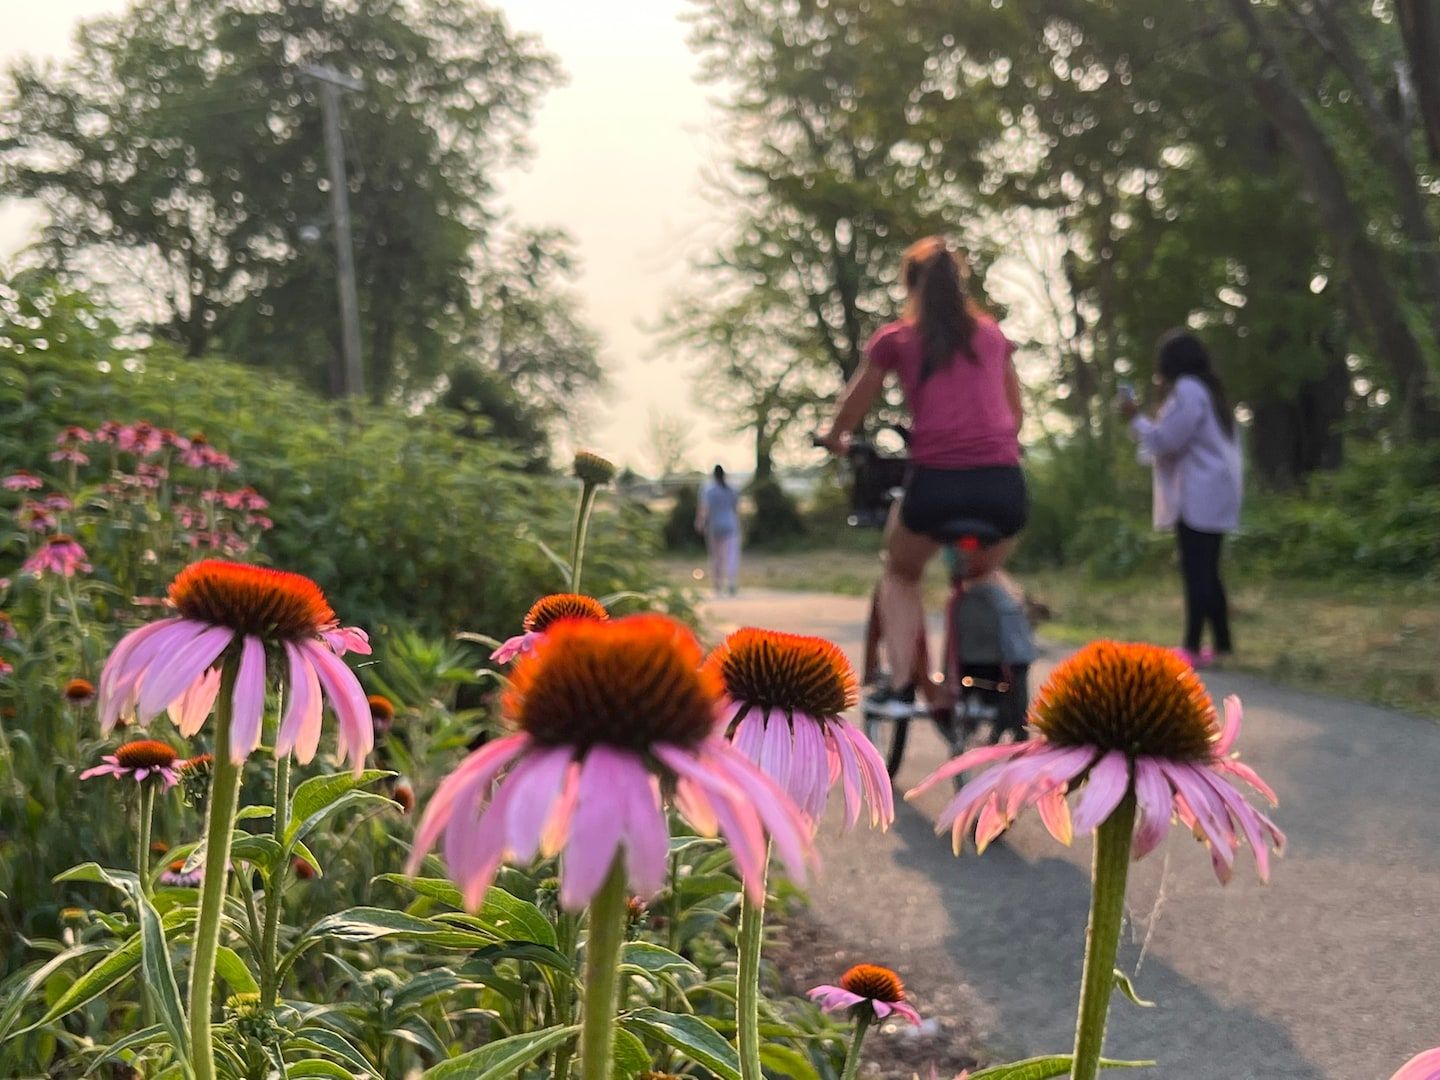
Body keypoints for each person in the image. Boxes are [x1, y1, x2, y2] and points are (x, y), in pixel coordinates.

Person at [817, 237, 1026, 714]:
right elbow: (1015, 418)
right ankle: (1001, 670)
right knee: (983, 569)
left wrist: (834, 436)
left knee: (901, 570)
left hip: (938, 486)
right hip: (1004, 488)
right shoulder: (992, 336)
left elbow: (854, 404)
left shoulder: (898, 340)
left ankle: (900, 681)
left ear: (910, 287)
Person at [1120, 329, 1242, 668]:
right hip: (1215, 491)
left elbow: (1165, 440)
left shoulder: (1188, 391)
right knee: (1209, 570)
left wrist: (1135, 418)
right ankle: (1222, 646)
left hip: (1198, 494)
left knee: (1196, 571)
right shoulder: (1210, 391)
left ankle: (1190, 646)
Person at [695, 465, 741, 596]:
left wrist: (700, 523)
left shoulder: (708, 490)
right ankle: (731, 583)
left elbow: (704, 510)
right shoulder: (732, 490)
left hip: (714, 526)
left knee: (716, 557)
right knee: (731, 556)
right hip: (730, 526)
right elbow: (735, 509)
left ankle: (717, 584)